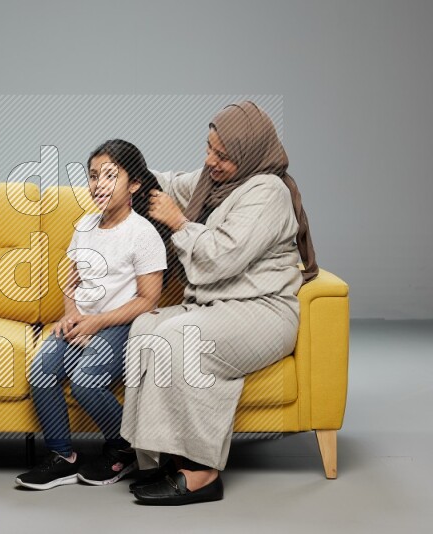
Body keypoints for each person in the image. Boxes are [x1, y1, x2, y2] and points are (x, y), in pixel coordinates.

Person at [122, 101, 319, 505]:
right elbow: (172, 183)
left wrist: (178, 222)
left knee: (182, 338)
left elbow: (221, 257)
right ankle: (160, 455)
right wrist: (126, 170)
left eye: (222, 156)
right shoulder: (215, 180)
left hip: (262, 310)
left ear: (248, 154)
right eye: (208, 149)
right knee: (145, 330)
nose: (211, 160)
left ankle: (201, 473)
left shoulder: (267, 192)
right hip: (218, 306)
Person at [15, 140, 168, 490]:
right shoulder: (84, 225)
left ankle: (125, 449)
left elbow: (149, 300)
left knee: (86, 379)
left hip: (120, 325)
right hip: (83, 323)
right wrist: (70, 314)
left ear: (134, 185)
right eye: (94, 176)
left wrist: (97, 322)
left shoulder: (142, 234)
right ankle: (62, 457)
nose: (99, 184)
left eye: (111, 176)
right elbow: (71, 279)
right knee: (41, 370)